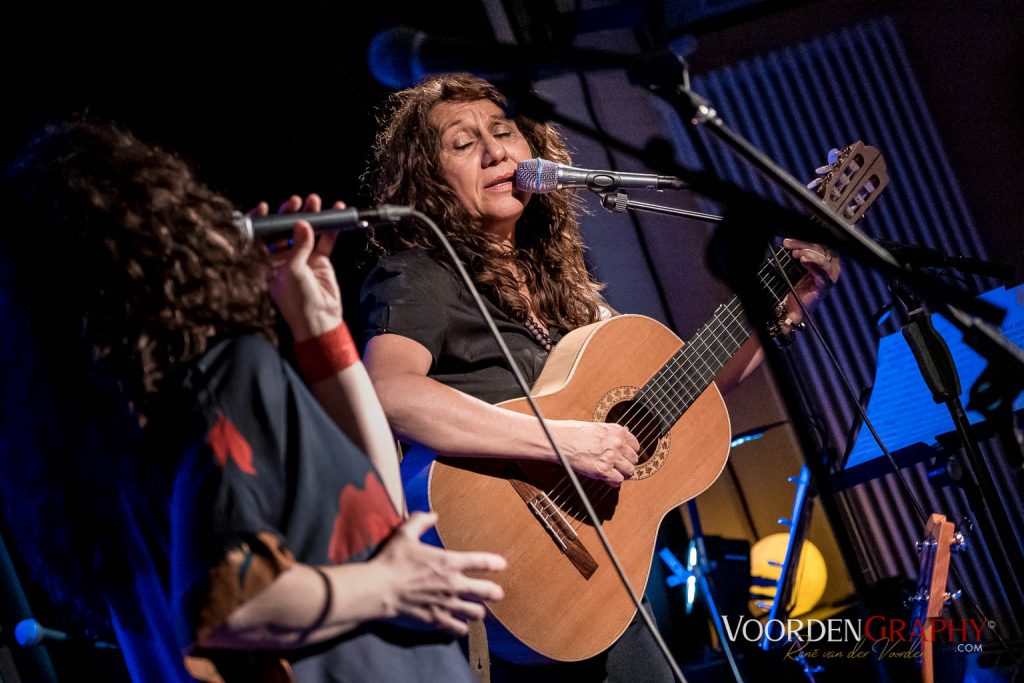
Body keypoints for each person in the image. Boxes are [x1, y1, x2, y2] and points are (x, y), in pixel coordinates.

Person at [358, 73, 841, 681]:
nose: (494, 151)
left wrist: (784, 311)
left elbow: (685, 402)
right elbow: (389, 391)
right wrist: (564, 441)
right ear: (427, 178)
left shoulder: (566, 285)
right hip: (508, 571)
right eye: (462, 143)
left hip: (603, 569)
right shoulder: (422, 274)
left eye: (503, 131)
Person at [0, 118, 508, 683]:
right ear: (162, 227)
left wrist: (315, 325)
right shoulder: (225, 374)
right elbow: (229, 607)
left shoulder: (104, 462)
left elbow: (372, 515)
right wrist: (393, 585)